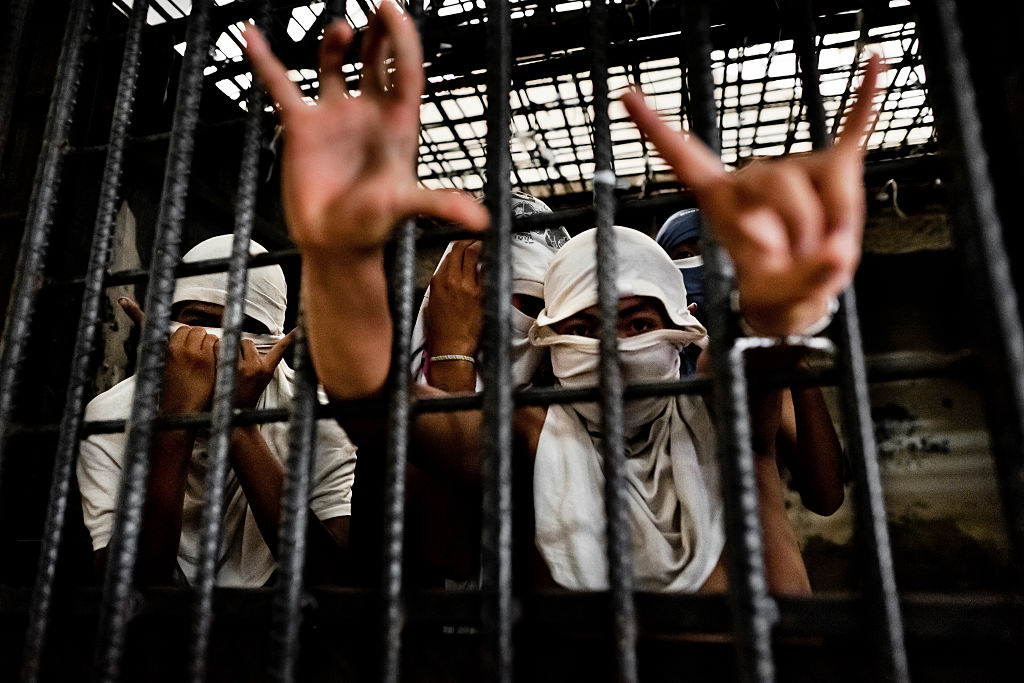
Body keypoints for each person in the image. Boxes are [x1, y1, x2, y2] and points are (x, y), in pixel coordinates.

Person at [241, 1, 881, 592]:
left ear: (686, 328)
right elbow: (376, 407)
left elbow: (754, 364)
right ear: (552, 338)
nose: (616, 347)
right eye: (587, 326)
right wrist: (340, 260)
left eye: (638, 321)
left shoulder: (719, 420)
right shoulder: (530, 431)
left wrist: (775, 308)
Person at [76, 235, 357, 586]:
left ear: (274, 339)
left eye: (244, 330)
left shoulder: (317, 415)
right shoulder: (111, 415)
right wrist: (176, 425)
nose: (217, 345)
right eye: (197, 323)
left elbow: (328, 574)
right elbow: (128, 585)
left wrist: (238, 427)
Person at [656, 209, 847, 515]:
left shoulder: (758, 367)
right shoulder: (644, 359)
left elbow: (826, 497)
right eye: (684, 255)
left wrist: (796, 364)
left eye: (716, 253)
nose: (701, 268)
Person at [410, 191, 569, 392]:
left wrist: (451, 356)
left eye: (534, 305)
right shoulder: (388, 390)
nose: (510, 311)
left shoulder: (572, 411)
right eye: (489, 297)